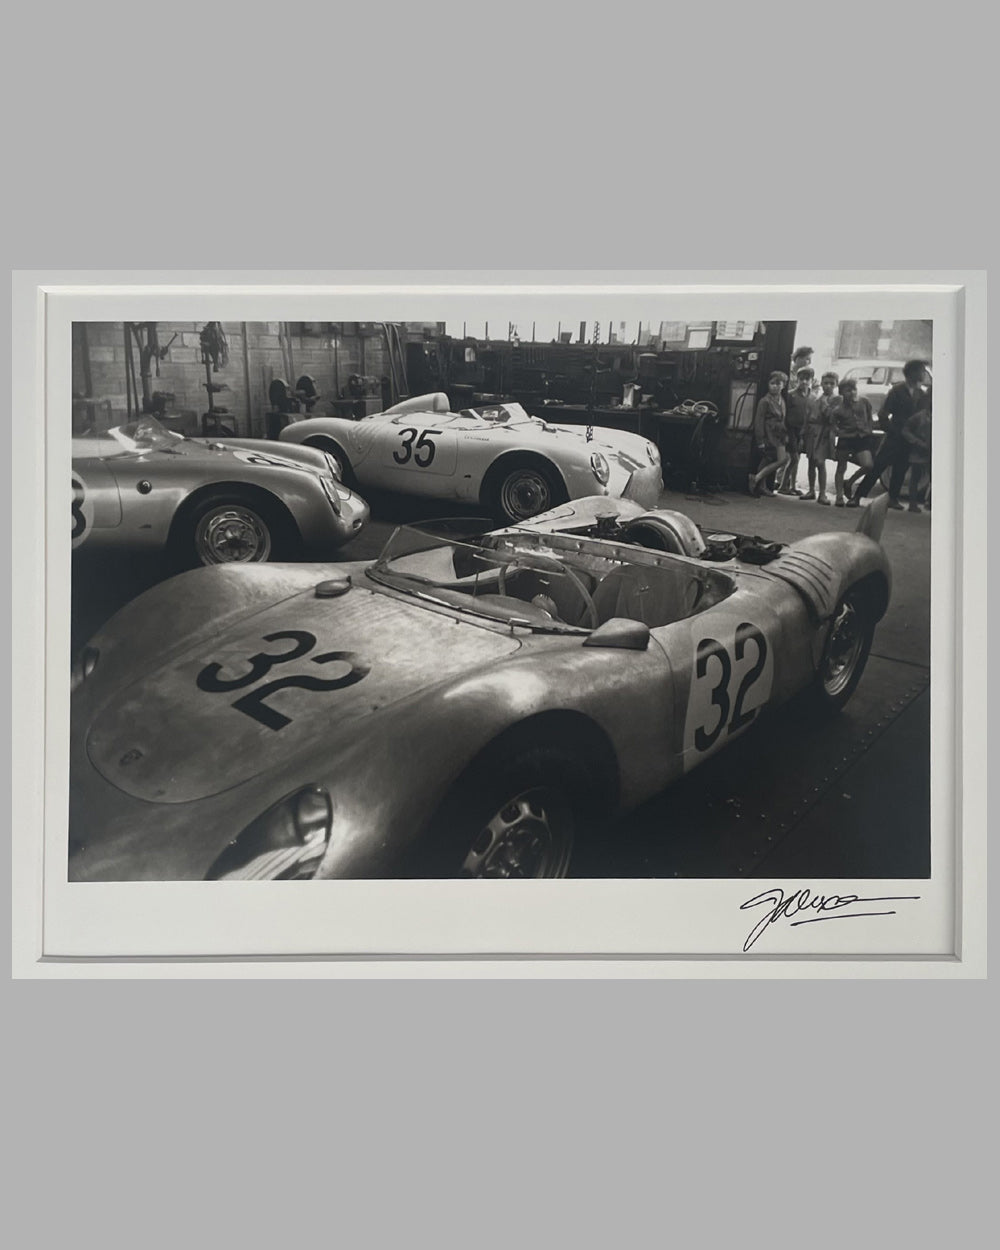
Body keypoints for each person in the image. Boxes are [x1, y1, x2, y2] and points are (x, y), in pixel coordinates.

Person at [852, 359, 929, 509]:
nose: (924, 373)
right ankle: (858, 496)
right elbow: (883, 414)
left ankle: (892, 499)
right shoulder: (897, 390)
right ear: (912, 373)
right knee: (878, 467)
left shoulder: (921, 393)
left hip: (910, 439)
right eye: (921, 370)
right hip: (894, 437)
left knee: (901, 469)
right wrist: (892, 431)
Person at [832, 378, 875, 507]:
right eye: (848, 390)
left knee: (868, 465)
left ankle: (849, 483)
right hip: (846, 439)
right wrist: (840, 433)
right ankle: (839, 496)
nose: (852, 393)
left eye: (854, 389)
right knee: (841, 467)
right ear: (841, 392)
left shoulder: (864, 401)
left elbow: (869, 418)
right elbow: (833, 426)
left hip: (862, 437)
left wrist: (869, 430)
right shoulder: (838, 408)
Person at [749, 372, 789, 497]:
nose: (775, 386)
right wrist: (760, 439)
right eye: (772, 383)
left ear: (783, 385)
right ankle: (757, 479)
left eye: (778, 384)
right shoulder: (764, 401)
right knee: (781, 459)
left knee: (769, 460)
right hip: (769, 434)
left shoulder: (782, 400)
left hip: (779, 435)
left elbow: (783, 418)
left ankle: (760, 484)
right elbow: (759, 420)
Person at [801, 370, 838, 504]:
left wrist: (825, 406)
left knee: (820, 462)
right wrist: (803, 433)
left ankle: (822, 493)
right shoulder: (814, 398)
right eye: (826, 383)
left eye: (831, 383)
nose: (828, 386)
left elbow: (832, 418)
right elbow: (807, 416)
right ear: (821, 383)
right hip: (812, 431)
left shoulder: (836, 400)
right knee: (811, 461)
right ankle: (811, 490)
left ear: (835, 385)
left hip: (824, 433)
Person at [781, 367, 814, 495]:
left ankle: (792, 486)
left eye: (807, 379)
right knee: (793, 458)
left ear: (811, 380)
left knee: (797, 459)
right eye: (801, 379)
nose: (804, 382)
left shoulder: (813, 396)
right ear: (797, 379)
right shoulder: (791, 395)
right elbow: (784, 414)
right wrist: (785, 433)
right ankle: (784, 485)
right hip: (791, 429)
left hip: (804, 431)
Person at [902, 388, 932, 513]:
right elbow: (905, 430)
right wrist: (916, 442)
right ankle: (912, 504)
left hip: (934, 451)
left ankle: (930, 502)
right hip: (920, 450)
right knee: (915, 478)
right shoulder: (920, 416)